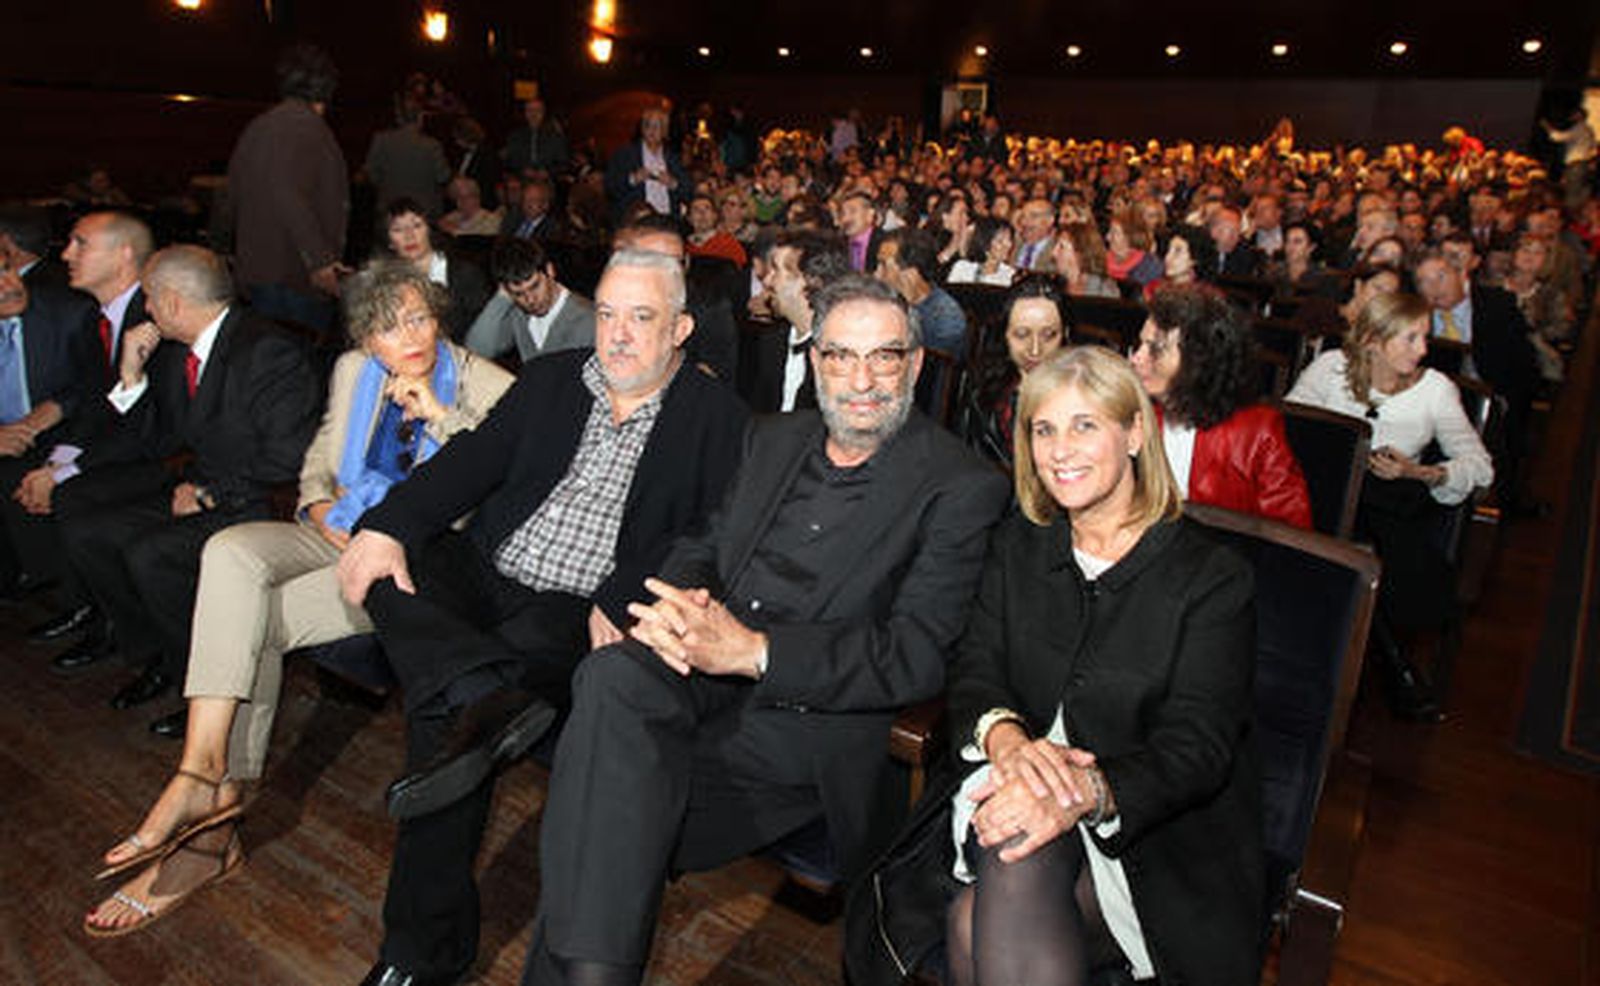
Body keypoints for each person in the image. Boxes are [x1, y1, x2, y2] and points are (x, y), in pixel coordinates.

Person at [526, 274, 1010, 986]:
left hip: (804, 722)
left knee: (598, 804)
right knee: (609, 676)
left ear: (913, 364)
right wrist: (680, 608)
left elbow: (915, 657)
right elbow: (708, 543)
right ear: (816, 364)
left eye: (885, 357)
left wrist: (755, 652)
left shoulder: (962, 485)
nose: (863, 380)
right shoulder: (772, 436)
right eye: (842, 357)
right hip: (697, 675)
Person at [336, 248, 748, 986]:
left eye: (642, 318)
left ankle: (414, 957)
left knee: (444, 726)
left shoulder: (717, 418)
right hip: (488, 572)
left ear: (681, 327)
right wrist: (386, 523)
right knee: (398, 570)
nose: (618, 335)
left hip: (575, 608)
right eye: (610, 314)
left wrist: (622, 595)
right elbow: (472, 459)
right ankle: (474, 691)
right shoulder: (554, 379)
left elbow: (708, 538)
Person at [81, 259, 514, 936]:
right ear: (365, 337)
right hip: (333, 532)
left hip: (408, 562)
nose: (411, 336)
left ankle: (209, 828)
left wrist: (439, 414)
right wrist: (314, 506)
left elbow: (504, 485)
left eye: (421, 317)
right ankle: (202, 771)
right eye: (389, 325)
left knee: (245, 626)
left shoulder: (487, 386)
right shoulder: (351, 372)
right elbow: (318, 460)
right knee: (228, 553)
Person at [854, 344, 1262, 986]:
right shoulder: (1019, 543)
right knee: (1017, 847)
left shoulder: (1211, 579)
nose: (1059, 449)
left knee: (978, 912)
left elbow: (1197, 748)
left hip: (1151, 840)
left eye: (1084, 425)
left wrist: (1082, 793)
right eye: (1043, 428)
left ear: (1134, 433)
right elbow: (976, 669)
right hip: (1014, 794)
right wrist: (1011, 743)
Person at [52, 246, 321, 717]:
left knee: (151, 555)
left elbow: (287, 458)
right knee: (90, 532)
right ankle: (158, 654)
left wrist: (209, 494)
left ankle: (206, 691)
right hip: (201, 489)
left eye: (151, 300)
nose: (148, 311)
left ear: (173, 302)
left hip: (258, 500)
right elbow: (159, 442)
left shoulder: (266, 351)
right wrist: (132, 377)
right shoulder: (180, 354)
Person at [1287, 291, 1493, 720]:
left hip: (1390, 506)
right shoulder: (1331, 368)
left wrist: (1418, 473)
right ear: (1375, 341)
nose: (1423, 350)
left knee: (1365, 554)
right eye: (1411, 338)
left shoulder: (1436, 390)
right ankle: (1392, 666)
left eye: (1424, 338)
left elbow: (1480, 467)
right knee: (1346, 547)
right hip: (1324, 499)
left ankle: (1350, 665)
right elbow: (1290, 425)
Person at [1130, 284, 1312, 527]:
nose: (1137, 358)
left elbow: (1290, 536)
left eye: (1155, 348)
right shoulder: (1136, 414)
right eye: (1140, 344)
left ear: (1199, 359)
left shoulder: (1258, 433)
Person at [226, 42, 349, 332]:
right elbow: (289, 196)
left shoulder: (257, 127)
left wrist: (223, 247)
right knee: (298, 365)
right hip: (295, 275)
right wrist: (320, 261)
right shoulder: (310, 129)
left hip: (255, 270)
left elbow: (230, 193)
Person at [959, 278, 1069, 468]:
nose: (1035, 350)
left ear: (1065, 334)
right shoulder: (981, 391)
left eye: (1049, 335)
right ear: (1005, 335)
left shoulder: (1084, 397)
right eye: (1022, 334)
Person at [738, 230, 850, 414]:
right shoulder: (771, 343)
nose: (767, 280)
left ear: (810, 281)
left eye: (776, 270)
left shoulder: (842, 354)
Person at [463, 237, 595, 364]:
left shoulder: (587, 319)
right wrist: (501, 298)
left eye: (535, 286)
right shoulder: (519, 315)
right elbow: (476, 351)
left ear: (550, 271)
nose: (530, 300)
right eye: (519, 294)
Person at [381, 198, 489, 342]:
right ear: (390, 242)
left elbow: (481, 334)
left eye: (417, 226)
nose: (409, 236)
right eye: (398, 230)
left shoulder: (465, 274)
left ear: (430, 230)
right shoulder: (385, 281)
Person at [876, 228, 968, 356]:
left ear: (910, 274)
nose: (877, 275)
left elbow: (932, 370)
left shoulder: (945, 319)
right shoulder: (883, 303)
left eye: (883, 265)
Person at [364, 101, 451, 221]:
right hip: (424, 211)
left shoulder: (380, 140)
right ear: (420, 118)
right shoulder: (432, 145)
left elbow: (370, 173)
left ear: (398, 118)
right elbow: (443, 176)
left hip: (389, 209)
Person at [604, 107, 688, 221]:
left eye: (657, 126)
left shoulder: (673, 158)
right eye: (647, 125)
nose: (651, 130)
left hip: (666, 220)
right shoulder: (625, 155)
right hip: (635, 221)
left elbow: (689, 191)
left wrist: (673, 183)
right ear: (642, 129)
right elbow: (610, 188)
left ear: (665, 132)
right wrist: (632, 179)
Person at [502, 97, 570, 179]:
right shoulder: (515, 137)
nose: (533, 114)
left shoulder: (556, 137)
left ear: (543, 113)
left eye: (538, 110)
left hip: (548, 182)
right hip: (521, 181)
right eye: (530, 110)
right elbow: (509, 162)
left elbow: (564, 164)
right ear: (525, 113)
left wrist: (548, 172)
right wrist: (522, 170)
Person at [1049, 222, 1119, 298]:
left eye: (1061, 247)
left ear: (1080, 253)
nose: (1054, 253)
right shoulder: (1055, 285)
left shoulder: (1103, 290)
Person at [947, 217, 1017, 287]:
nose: (1008, 245)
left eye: (1009, 240)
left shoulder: (1009, 275)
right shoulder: (963, 268)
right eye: (1000, 241)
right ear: (985, 243)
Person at [438, 176, 502, 237]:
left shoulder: (491, 221)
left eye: (464, 198)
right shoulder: (455, 216)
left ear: (477, 198)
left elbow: (476, 242)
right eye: (457, 198)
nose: (459, 203)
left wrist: (455, 231)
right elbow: (441, 222)